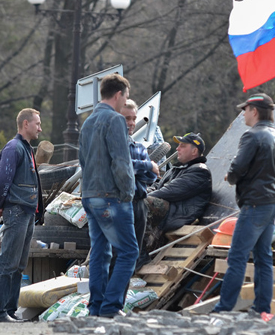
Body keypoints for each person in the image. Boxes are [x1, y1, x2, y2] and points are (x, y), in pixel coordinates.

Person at [213, 93, 275, 314]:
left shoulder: (251, 136)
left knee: (237, 257)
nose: (243, 113)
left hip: (254, 205)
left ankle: (223, 309)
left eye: (244, 110)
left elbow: (237, 169)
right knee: (264, 258)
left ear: (254, 111)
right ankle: (262, 308)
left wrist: (231, 177)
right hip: (272, 203)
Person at [79, 73, 137, 318]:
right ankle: (112, 307)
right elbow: (121, 162)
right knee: (129, 251)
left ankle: (96, 308)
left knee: (100, 252)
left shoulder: (87, 122)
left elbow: (83, 161)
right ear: (118, 95)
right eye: (125, 97)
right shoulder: (115, 120)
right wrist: (128, 193)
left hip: (89, 195)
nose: (126, 101)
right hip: (111, 196)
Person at [0, 108, 43, 323]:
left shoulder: (26, 148)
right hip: (17, 211)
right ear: (26, 124)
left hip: (26, 212)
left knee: (19, 264)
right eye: (37, 124)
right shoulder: (14, 147)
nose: (40, 128)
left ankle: (9, 311)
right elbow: (1, 180)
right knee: (7, 262)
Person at [143, 132, 212, 253]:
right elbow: (156, 187)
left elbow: (169, 192)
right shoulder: (176, 169)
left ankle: (142, 251)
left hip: (175, 215)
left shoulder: (200, 171)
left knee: (141, 203)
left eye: (183, 146)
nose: (177, 148)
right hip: (166, 211)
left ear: (194, 151)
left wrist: (140, 198)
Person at [120, 99, 159, 269]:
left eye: (133, 118)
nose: (131, 123)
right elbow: (121, 166)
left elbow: (151, 177)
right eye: (126, 118)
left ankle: (128, 289)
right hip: (119, 204)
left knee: (134, 252)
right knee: (119, 253)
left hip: (139, 203)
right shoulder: (112, 144)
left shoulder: (139, 147)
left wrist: (137, 168)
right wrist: (147, 165)